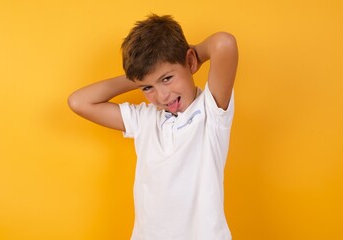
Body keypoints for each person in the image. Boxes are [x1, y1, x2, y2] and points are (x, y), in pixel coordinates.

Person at [68, 14, 238, 240]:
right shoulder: (145, 120)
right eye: (147, 88)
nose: (162, 95)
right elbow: (79, 102)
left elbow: (223, 43)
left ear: (189, 62)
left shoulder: (210, 113)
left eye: (167, 78)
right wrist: (139, 76)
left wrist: (190, 54)